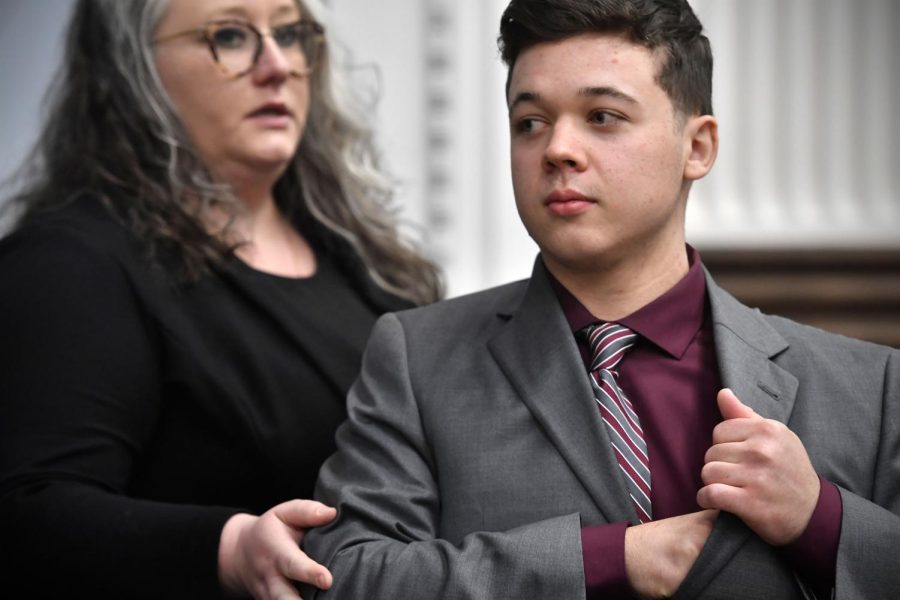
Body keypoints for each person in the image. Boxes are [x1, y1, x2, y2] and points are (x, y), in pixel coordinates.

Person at [302, 0, 900, 598]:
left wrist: (819, 520)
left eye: (603, 116)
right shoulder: (416, 360)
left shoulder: (872, 389)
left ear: (698, 147)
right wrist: (606, 561)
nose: (558, 148)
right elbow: (345, 576)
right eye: (530, 122)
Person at [0, 0, 440, 598]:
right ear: (132, 71)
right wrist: (229, 549)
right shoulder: (74, 264)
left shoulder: (376, 268)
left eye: (289, 33)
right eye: (230, 36)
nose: (277, 64)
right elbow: (32, 509)